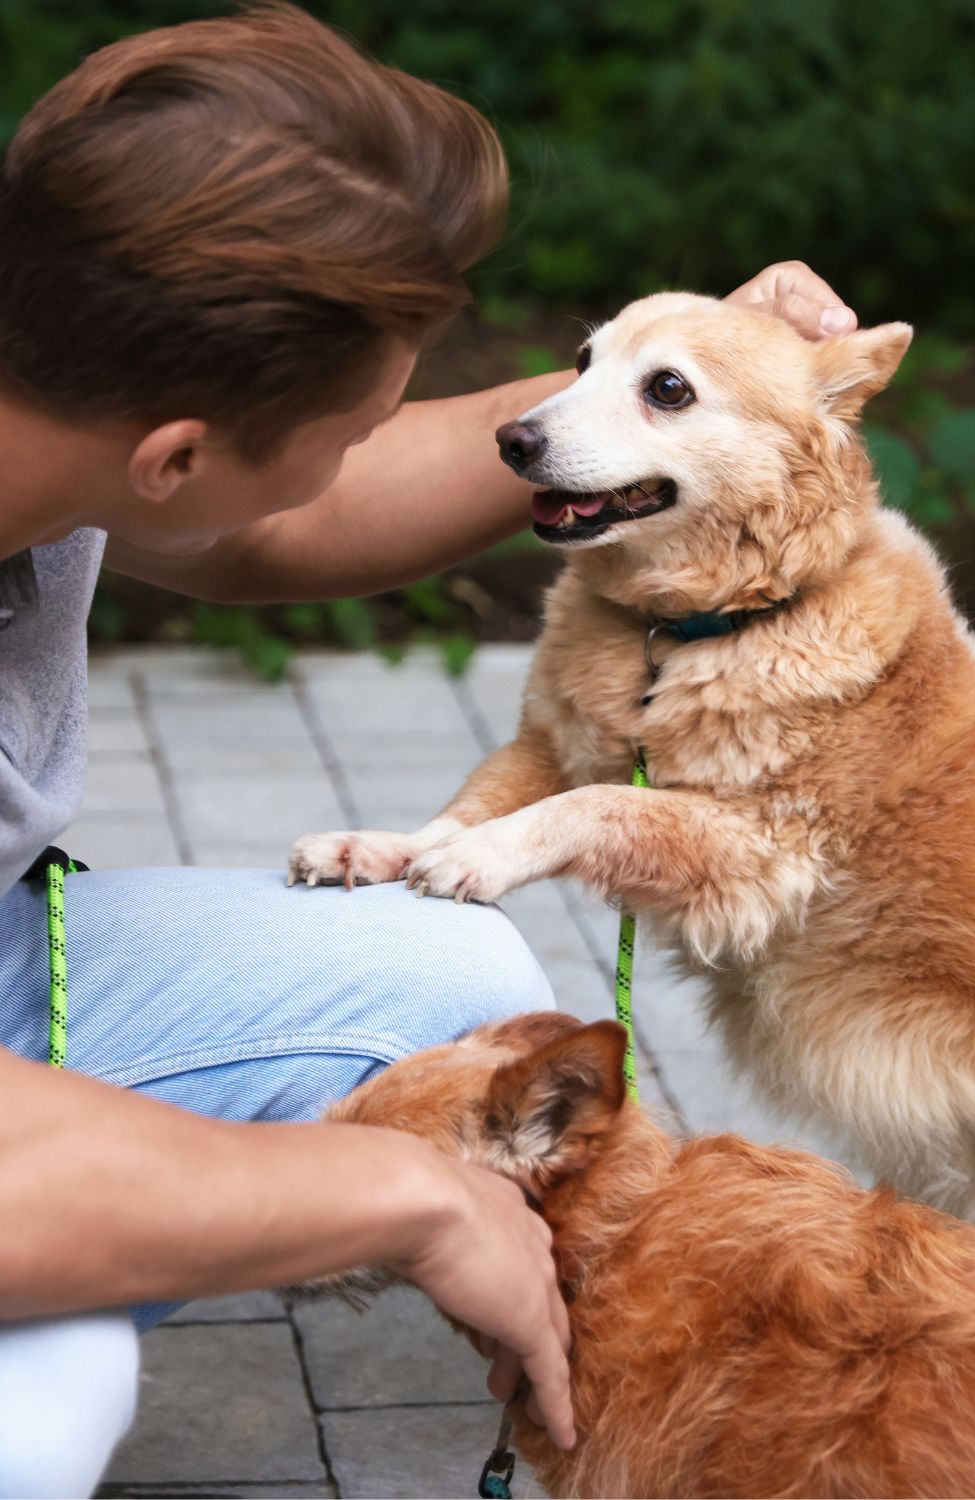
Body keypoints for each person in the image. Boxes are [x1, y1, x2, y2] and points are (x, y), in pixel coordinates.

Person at [0, 6, 857, 1495]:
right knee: (48, 1396)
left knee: (455, 997)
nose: (359, 449)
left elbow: (286, 509)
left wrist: (679, 387)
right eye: (354, 422)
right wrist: (399, 1199)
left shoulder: (56, 346)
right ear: (176, 456)